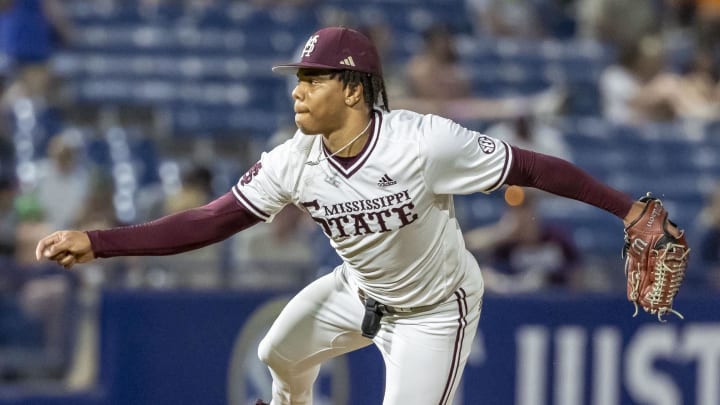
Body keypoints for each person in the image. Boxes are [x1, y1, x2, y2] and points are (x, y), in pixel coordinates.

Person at [34, 27, 684, 405]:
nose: (297, 88)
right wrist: (99, 241)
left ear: (352, 87)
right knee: (277, 353)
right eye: (298, 77)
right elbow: (209, 221)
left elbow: (536, 168)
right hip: (359, 290)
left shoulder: (425, 141)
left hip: (435, 308)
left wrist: (630, 210)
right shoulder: (295, 159)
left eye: (312, 78)